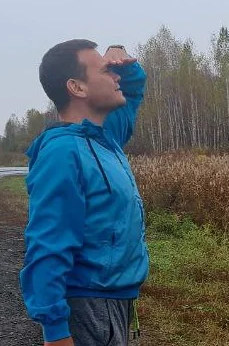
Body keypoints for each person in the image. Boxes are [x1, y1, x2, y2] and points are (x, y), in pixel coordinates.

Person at [20, 40, 149, 346]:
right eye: (106, 71)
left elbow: (132, 91)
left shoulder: (106, 137)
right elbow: (47, 243)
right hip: (88, 307)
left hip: (115, 300)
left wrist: (120, 55)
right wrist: (55, 331)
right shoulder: (62, 152)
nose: (116, 77)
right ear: (77, 87)